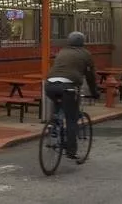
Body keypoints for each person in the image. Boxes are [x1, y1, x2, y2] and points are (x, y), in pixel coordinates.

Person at [45, 31, 99, 159]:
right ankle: (71, 151)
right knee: (71, 118)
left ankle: (54, 126)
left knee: (59, 104)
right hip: (68, 87)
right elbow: (90, 76)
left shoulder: (62, 51)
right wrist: (95, 92)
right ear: (82, 42)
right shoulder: (86, 54)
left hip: (50, 85)